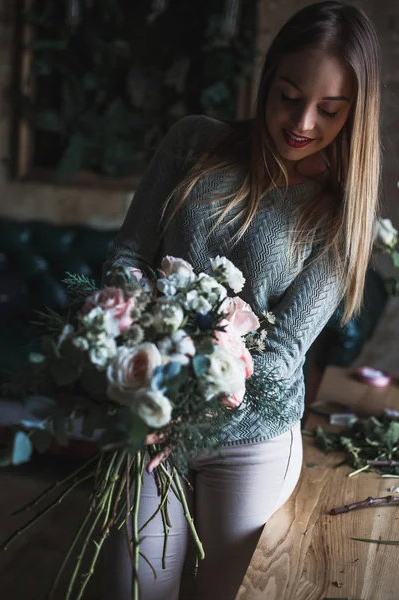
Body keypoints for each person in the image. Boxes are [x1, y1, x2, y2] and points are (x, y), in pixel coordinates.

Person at [102, 2, 381, 599]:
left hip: (251, 436)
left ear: (355, 114)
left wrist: (193, 410)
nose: (302, 121)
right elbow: (128, 257)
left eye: (330, 111)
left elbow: (280, 357)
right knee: (133, 586)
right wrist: (128, 341)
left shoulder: (339, 213)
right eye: (288, 95)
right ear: (267, 79)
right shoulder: (192, 143)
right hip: (153, 418)